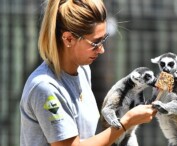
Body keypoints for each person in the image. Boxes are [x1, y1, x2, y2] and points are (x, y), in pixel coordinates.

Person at [19, 0, 157, 146]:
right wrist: (126, 122)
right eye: (96, 43)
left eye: (104, 39)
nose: (101, 49)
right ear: (68, 39)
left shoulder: (83, 70)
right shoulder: (45, 87)